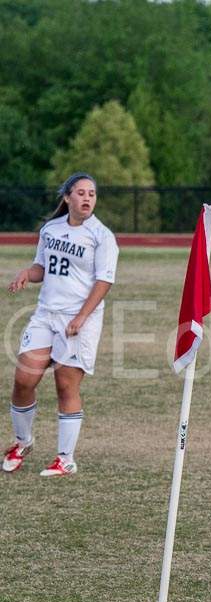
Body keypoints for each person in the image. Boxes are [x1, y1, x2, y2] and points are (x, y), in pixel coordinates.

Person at [3, 172, 119, 477]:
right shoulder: (51, 229)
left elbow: (104, 281)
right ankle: (22, 442)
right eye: (80, 193)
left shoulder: (102, 236)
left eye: (91, 194)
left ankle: (65, 459)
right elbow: (44, 266)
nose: (87, 198)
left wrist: (81, 317)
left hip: (79, 319)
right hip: (46, 314)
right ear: (67, 197)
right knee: (24, 379)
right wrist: (28, 272)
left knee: (65, 385)